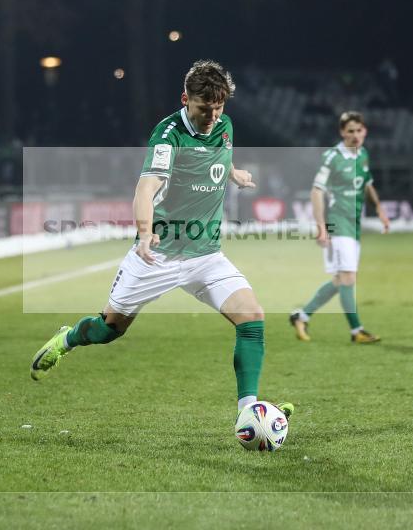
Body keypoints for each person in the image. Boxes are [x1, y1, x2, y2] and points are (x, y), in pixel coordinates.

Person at [29, 60, 293, 418]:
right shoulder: (168, 136)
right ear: (185, 99)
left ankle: (248, 411)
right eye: (204, 109)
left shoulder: (224, 125)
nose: (213, 117)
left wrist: (234, 174)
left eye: (219, 108)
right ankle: (69, 338)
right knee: (110, 330)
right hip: (159, 254)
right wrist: (143, 233)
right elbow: (145, 188)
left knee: (252, 318)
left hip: (205, 255)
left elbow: (216, 156)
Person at [290, 111, 390, 343]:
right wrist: (321, 227)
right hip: (338, 223)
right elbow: (317, 191)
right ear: (342, 132)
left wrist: (379, 209)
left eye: (359, 130)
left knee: (340, 280)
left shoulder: (362, 154)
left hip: (353, 225)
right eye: (350, 131)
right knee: (347, 277)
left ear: (365, 131)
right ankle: (357, 331)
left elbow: (367, 183)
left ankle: (301, 316)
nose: (355, 135)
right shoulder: (332, 157)